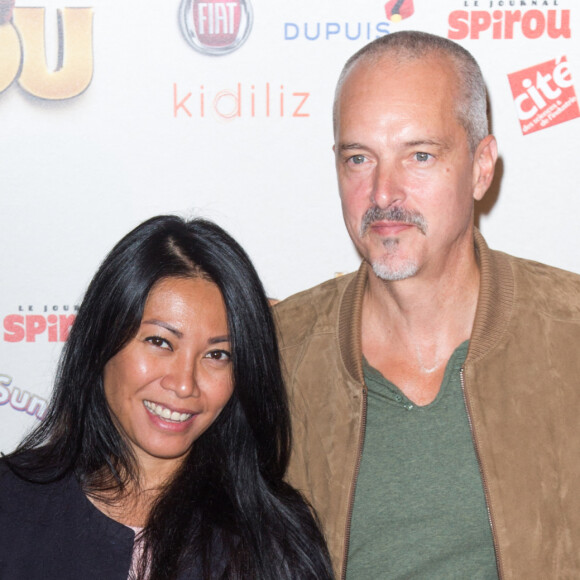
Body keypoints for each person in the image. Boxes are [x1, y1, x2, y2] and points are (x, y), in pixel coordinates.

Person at [274, 30, 580, 580]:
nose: (384, 192)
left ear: (481, 167)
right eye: (359, 158)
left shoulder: (571, 334)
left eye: (419, 155)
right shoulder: (277, 352)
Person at [0, 215, 334, 580]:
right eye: (160, 342)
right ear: (101, 340)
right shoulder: (12, 503)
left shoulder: (274, 538)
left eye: (217, 355)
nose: (184, 384)